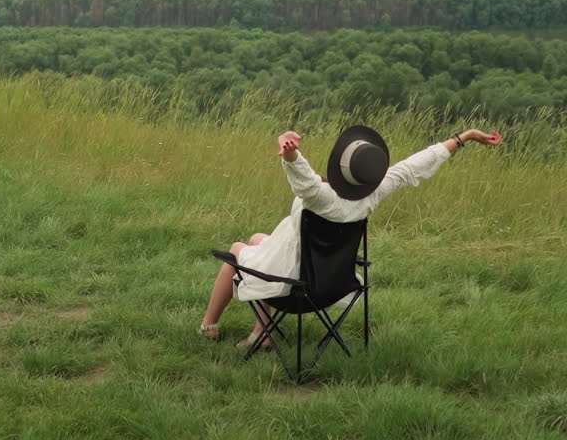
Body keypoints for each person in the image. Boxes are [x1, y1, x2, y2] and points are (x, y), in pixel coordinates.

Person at [200, 123, 502, 344]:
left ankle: (209, 325)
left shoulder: (319, 198)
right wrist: (464, 138)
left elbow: (304, 181)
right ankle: (261, 331)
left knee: (238, 248)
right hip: (332, 284)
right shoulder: (370, 197)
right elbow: (412, 167)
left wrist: (290, 153)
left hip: (294, 286)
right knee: (257, 240)